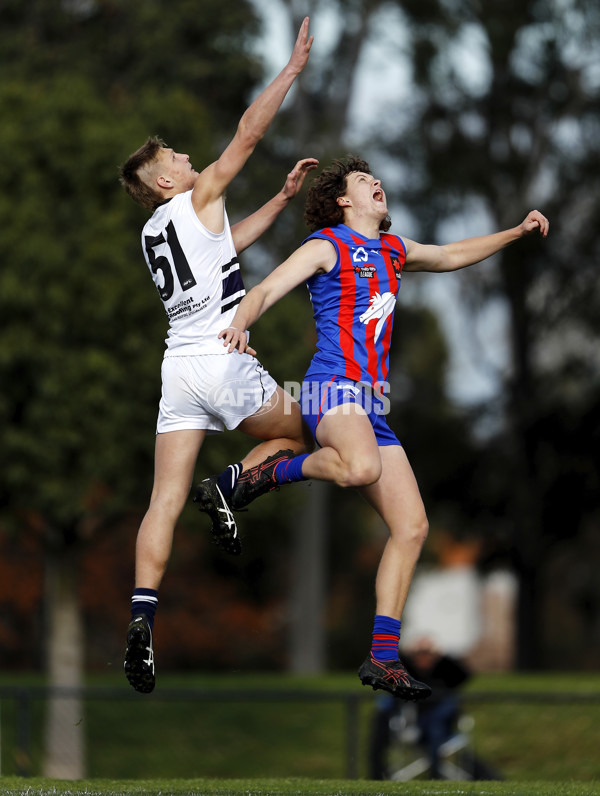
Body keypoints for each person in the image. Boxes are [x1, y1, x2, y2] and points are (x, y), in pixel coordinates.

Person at [216, 156, 549, 700]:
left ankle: (382, 657)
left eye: (377, 179)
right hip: (330, 388)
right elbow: (267, 289)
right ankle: (271, 474)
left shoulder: (393, 250)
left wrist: (514, 232)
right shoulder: (329, 244)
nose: (377, 183)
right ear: (344, 201)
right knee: (361, 466)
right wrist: (238, 325)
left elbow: (448, 255)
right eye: (363, 181)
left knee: (412, 527)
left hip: (370, 405)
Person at [117, 18, 316, 694]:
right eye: (172, 157)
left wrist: (282, 200)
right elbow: (248, 135)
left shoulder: (155, 230)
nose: (183, 156)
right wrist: (289, 72)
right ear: (167, 182)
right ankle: (229, 487)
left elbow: (223, 246)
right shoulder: (196, 197)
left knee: (161, 501)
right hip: (221, 360)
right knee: (297, 430)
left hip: (177, 369)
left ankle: (142, 619)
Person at [368, 637, 500, 780]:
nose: (424, 657)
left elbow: (465, 674)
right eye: (420, 653)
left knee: (441, 716)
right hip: (416, 728)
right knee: (383, 720)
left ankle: (440, 774)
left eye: (427, 653)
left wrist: (441, 655)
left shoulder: (444, 672)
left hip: (442, 728)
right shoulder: (408, 674)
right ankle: (378, 774)